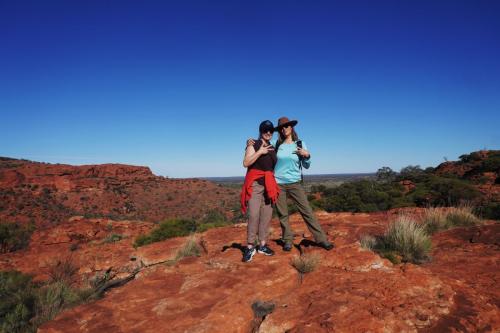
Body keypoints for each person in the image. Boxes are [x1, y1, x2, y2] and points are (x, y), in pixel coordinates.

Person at [248, 117, 334, 251]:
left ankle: (322, 239)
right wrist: (249, 142)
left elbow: (307, 166)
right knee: (283, 214)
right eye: (281, 128)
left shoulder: (299, 143)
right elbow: (265, 156)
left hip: (295, 183)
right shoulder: (277, 145)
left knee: (307, 211)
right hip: (278, 183)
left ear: (291, 128)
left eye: (286, 126)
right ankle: (287, 240)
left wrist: (307, 155)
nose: (284, 129)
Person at [240, 120, 280, 262]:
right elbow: (246, 163)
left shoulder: (273, 148)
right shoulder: (253, 144)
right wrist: (259, 152)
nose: (268, 133)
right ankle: (250, 246)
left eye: (271, 131)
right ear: (261, 131)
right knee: (254, 215)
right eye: (265, 130)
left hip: (268, 185)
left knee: (266, 216)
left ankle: (262, 245)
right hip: (256, 185)